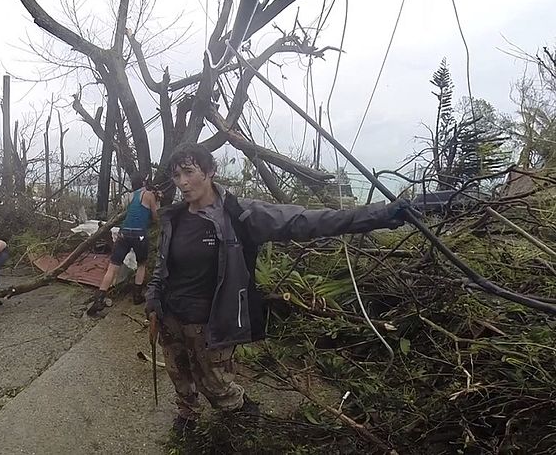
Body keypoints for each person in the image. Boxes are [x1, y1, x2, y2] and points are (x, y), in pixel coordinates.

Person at [145, 143, 410, 434]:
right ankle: (188, 414)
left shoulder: (239, 214)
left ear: (210, 172)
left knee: (216, 385)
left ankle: (242, 412)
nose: (182, 183)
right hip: (171, 318)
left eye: (189, 172)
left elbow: (306, 220)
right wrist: (153, 296)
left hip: (211, 322)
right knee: (179, 375)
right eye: (176, 175)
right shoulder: (176, 217)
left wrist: (380, 216)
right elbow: (163, 264)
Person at [87, 172, 159, 316]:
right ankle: (137, 296)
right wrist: (157, 201)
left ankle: (99, 299)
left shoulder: (130, 196)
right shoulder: (148, 195)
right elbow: (156, 217)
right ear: (144, 182)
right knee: (141, 264)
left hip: (124, 233)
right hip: (139, 234)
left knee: (113, 267)